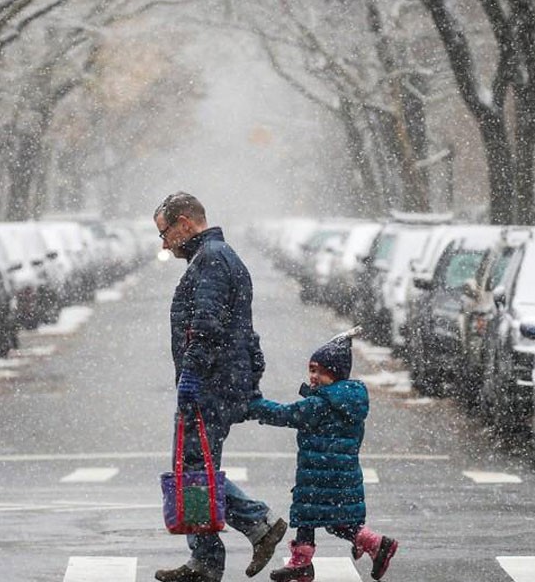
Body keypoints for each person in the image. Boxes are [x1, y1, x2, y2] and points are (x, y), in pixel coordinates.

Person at [154, 192, 287, 582]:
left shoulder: (211, 259)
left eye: (165, 233)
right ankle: (208, 556)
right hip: (224, 380)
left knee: (194, 469)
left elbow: (208, 326)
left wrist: (192, 376)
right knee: (195, 466)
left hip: (210, 384)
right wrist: (249, 378)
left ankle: (254, 526)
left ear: (184, 223)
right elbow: (244, 329)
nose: (164, 243)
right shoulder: (220, 256)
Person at [248, 326, 399, 582]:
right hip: (342, 474)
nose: (314, 376)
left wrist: (254, 406)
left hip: (319, 474)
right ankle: (372, 545)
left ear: (335, 375)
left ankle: (311, 560)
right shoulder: (350, 402)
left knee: (311, 515)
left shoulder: (320, 404)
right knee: (334, 521)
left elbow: (287, 414)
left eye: (320, 372)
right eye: (312, 370)